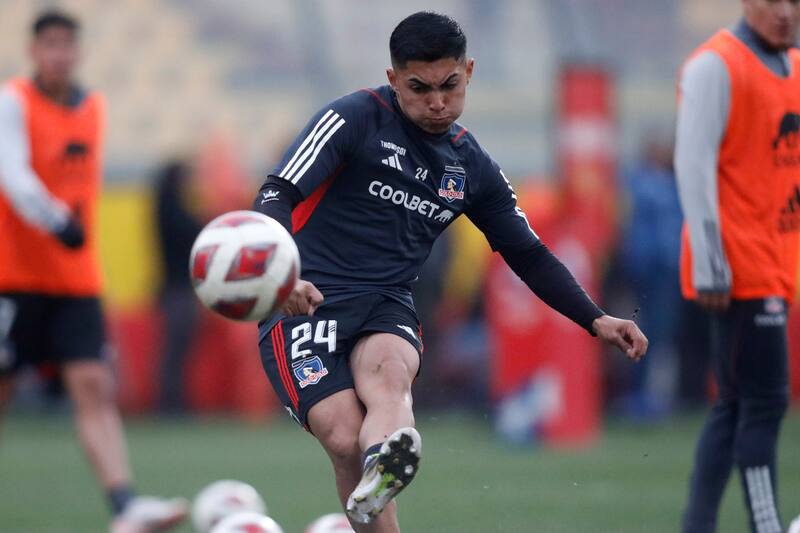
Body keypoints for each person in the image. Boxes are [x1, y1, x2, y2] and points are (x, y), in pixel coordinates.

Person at [254, 12, 647, 532]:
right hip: (307, 301)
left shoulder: (471, 167)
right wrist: (279, 276)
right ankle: (375, 461)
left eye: (450, 85)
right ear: (394, 79)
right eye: (419, 88)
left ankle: (386, 461)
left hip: (386, 302)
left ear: (469, 72)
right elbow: (277, 194)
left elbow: (527, 253)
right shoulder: (353, 119)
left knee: (391, 376)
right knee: (342, 435)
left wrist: (594, 318)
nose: (437, 102)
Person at [0, 11, 187, 533]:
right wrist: (54, 218)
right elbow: (11, 171)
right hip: (13, 274)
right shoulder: (13, 100)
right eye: (50, 44)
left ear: (77, 52)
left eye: (67, 44)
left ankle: (124, 505)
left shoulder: (93, 107)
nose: (59, 53)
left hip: (76, 277)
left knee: (93, 384)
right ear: (35, 50)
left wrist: (70, 233)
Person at [674, 1, 800, 532]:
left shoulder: (794, 66)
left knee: (732, 405)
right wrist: (710, 264)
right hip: (737, 269)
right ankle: (767, 527)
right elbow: (693, 165)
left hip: (776, 263)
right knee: (765, 403)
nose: (786, 11)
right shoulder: (716, 65)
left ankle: (698, 524)